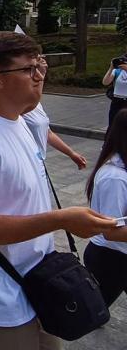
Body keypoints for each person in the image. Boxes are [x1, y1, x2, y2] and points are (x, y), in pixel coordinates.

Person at [0, 32, 116, 349]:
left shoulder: (19, 122)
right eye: (29, 70)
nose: (38, 75)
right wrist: (63, 219)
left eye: (39, 66)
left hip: (41, 277)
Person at [83, 108, 127, 307]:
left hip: (118, 255)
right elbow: (111, 231)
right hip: (110, 258)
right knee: (92, 312)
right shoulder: (114, 177)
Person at [102, 54, 127, 132]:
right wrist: (111, 67)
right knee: (113, 126)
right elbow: (105, 82)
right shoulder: (117, 71)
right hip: (116, 102)